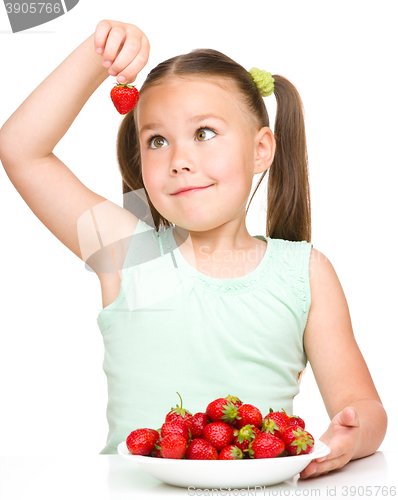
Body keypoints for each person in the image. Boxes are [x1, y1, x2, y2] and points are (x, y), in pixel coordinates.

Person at [0, 19, 387, 478]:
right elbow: (21, 148)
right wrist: (98, 54)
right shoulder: (129, 252)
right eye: (157, 141)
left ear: (261, 149)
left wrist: (351, 434)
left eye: (204, 133)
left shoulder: (305, 272)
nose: (179, 160)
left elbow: (363, 407)